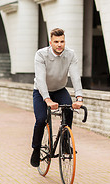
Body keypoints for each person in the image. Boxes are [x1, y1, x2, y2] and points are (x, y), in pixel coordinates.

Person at [30, 28, 83, 167]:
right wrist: (47, 99)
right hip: (41, 92)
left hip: (59, 90)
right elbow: (40, 79)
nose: (59, 44)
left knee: (69, 110)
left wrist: (79, 97)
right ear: (50, 42)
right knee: (41, 120)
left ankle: (65, 143)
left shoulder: (70, 55)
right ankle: (36, 149)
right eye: (56, 42)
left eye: (62, 41)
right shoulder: (41, 55)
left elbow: (76, 77)